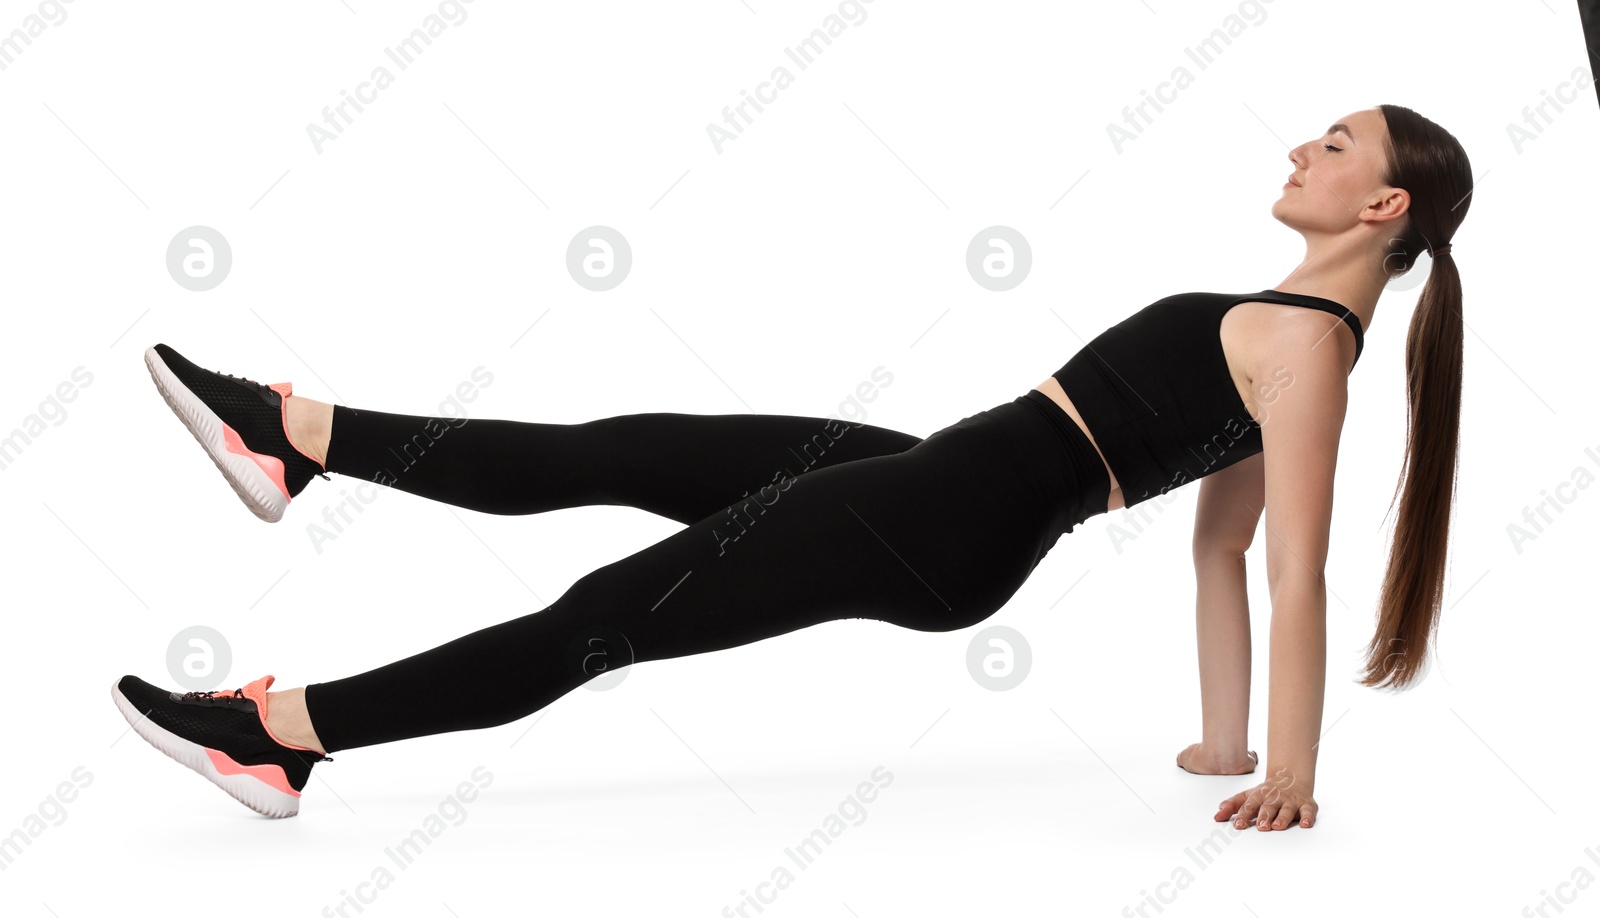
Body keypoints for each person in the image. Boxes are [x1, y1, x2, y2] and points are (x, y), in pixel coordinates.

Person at [112, 104, 1471, 829]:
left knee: (602, 614)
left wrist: (1290, 766)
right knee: (627, 448)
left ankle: (281, 738)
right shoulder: (1293, 333)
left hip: (944, 520)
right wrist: (1231, 741)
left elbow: (1293, 562)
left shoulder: (1306, 351)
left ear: (1383, 206)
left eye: (1335, 145)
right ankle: (298, 441)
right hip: (944, 478)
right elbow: (1217, 547)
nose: (1302, 148)